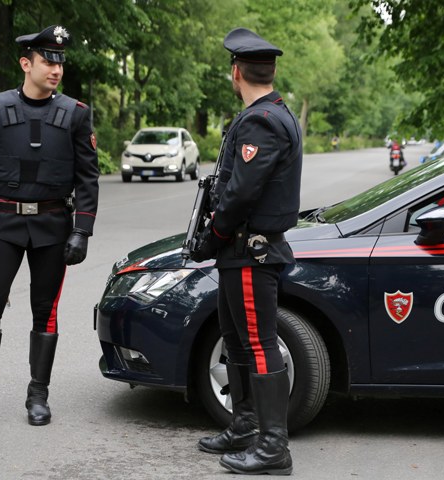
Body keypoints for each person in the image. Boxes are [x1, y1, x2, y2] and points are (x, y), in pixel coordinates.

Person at [0, 25, 99, 426]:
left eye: (60, 62)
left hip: (53, 225)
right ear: (26, 63)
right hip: (1, 223)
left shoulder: (76, 114)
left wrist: (81, 230)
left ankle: (38, 395)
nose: (55, 69)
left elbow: (89, 177)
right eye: (47, 61)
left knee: (45, 313)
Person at [192, 27, 302, 476]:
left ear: (236, 72)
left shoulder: (261, 120)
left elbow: (240, 193)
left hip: (250, 252)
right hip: (240, 253)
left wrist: (212, 235)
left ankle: (274, 447)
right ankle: (244, 425)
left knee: (258, 344)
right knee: (236, 339)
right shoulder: (276, 113)